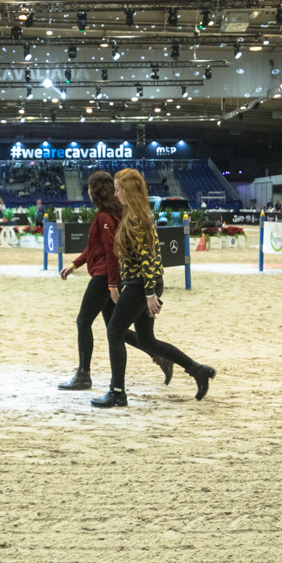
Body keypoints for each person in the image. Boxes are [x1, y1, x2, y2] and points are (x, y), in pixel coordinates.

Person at [94, 168, 214, 408]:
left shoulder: (135, 218)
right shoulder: (136, 214)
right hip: (144, 282)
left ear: (127, 190)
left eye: (118, 190)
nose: (115, 194)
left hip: (142, 284)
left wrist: (149, 294)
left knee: (114, 332)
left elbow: (147, 257)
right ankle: (197, 370)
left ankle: (117, 391)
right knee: (147, 340)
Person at [57, 170, 170, 393]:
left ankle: (83, 374)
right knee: (115, 329)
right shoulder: (115, 213)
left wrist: (111, 284)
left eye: (89, 188)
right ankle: (157, 354)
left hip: (104, 277)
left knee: (83, 322)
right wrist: (74, 265)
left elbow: (111, 252)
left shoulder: (104, 217)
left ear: (94, 191)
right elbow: (94, 248)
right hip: (110, 276)